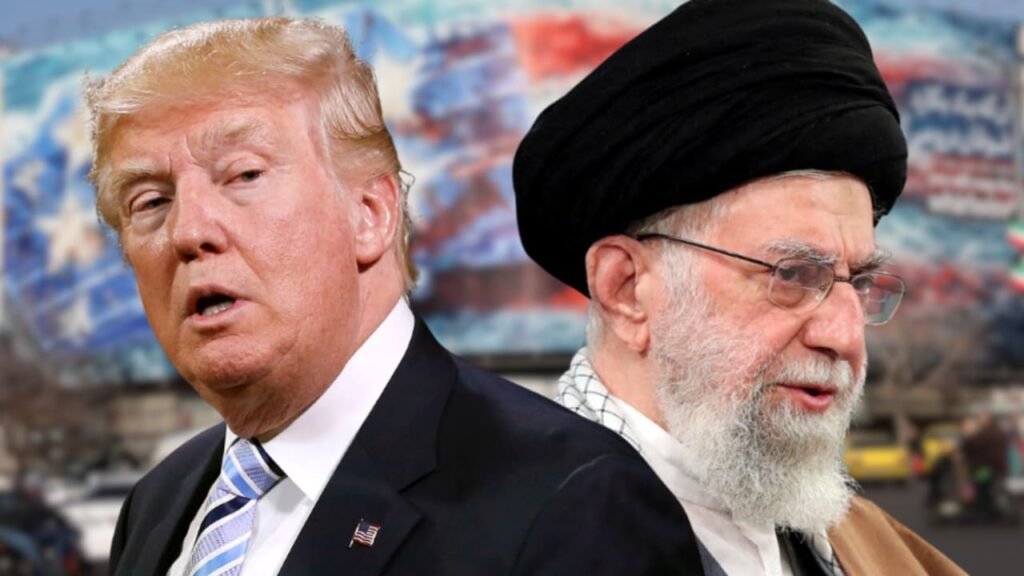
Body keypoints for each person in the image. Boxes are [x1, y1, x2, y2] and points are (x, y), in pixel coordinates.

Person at [86, 17, 703, 576]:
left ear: (370, 214)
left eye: (244, 175)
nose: (189, 231)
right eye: (151, 201)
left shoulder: (576, 501)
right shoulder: (159, 504)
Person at [513, 0, 966, 575]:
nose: (846, 336)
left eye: (858, 282)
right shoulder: (492, 542)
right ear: (625, 289)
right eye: (793, 274)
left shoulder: (882, 550)